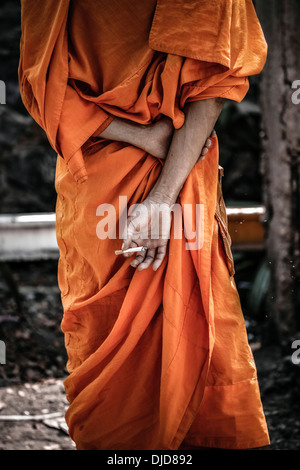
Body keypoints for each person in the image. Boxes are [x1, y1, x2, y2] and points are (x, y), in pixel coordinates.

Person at [18, 0, 270, 450]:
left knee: (185, 331)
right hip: (163, 168)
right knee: (116, 328)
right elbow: (217, 83)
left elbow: (45, 91)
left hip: (131, 173)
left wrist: (157, 195)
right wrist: (158, 170)